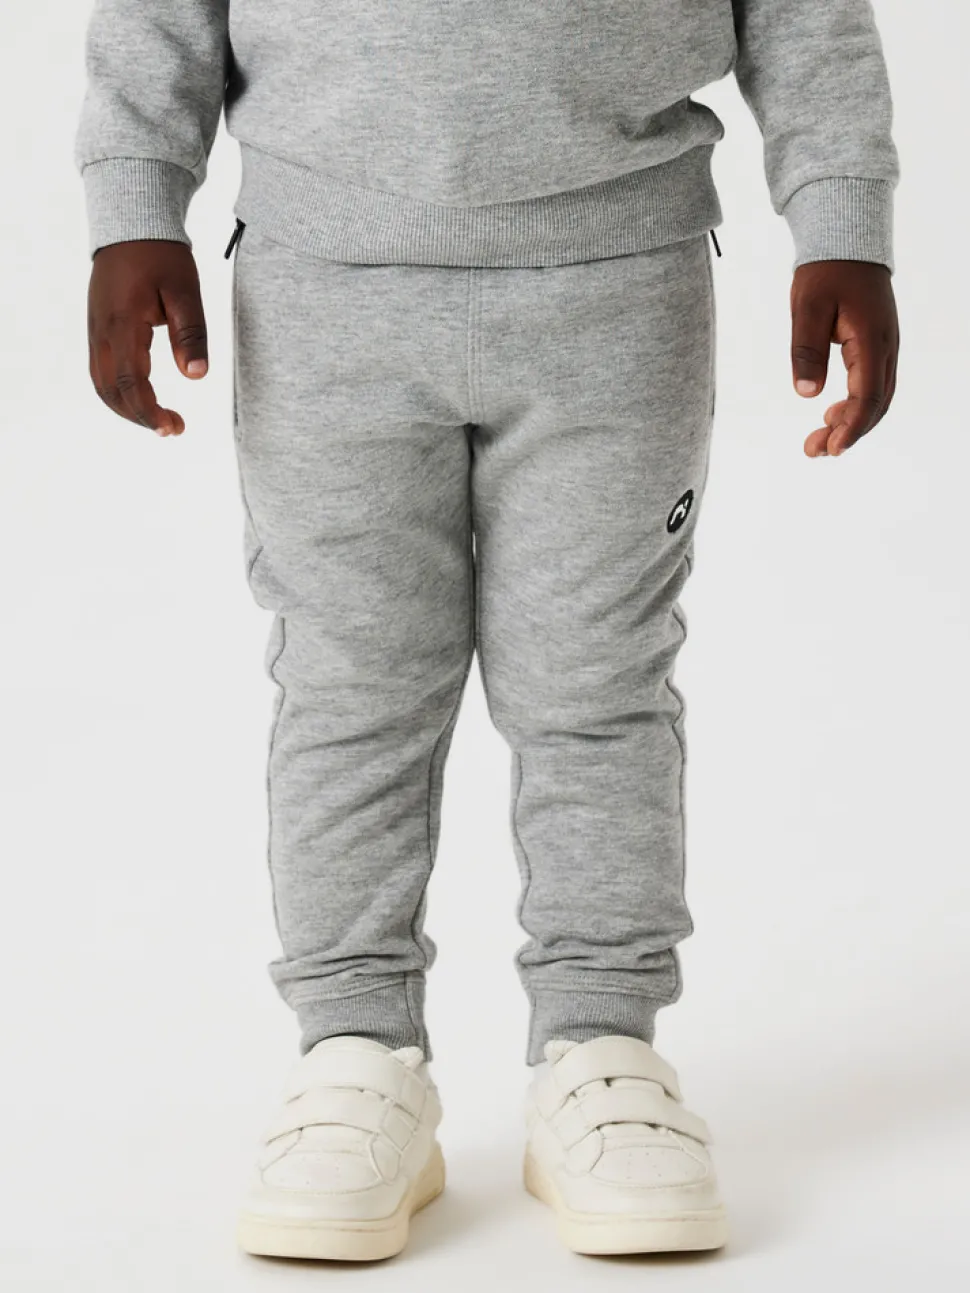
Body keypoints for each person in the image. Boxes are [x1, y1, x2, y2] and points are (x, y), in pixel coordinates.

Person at [75, 0, 900, 1261]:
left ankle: (602, 1047)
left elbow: (804, 14)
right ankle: (355, 1051)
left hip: (618, 281)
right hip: (323, 280)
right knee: (349, 686)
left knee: (596, 684)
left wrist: (841, 218)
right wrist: (135, 204)